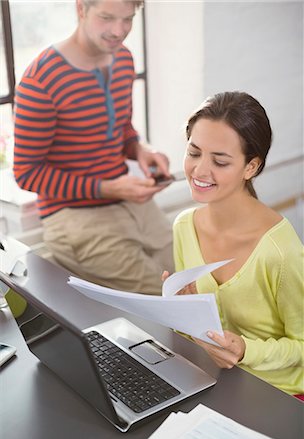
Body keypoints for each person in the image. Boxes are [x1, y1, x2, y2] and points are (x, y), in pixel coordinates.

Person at [13, 0, 174, 295]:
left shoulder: (123, 59)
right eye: (107, 18)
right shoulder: (42, 80)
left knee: (190, 280)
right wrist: (108, 188)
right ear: (81, 9)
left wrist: (140, 151)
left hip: (130, 203)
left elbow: (122, 128)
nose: (119, 31)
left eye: (128, 19)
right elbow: (26, 173)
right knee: (164, 297)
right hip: (74, 217)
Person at [168, 91, 303, 396]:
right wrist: (181, 311)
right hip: (209, 380)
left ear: (250, 167)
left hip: (280, 394)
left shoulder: (280, 251)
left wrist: (245, 351)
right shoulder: (184, 227)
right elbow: (192, 332)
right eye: (194, 152)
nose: (200, 171)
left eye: (220, 161)